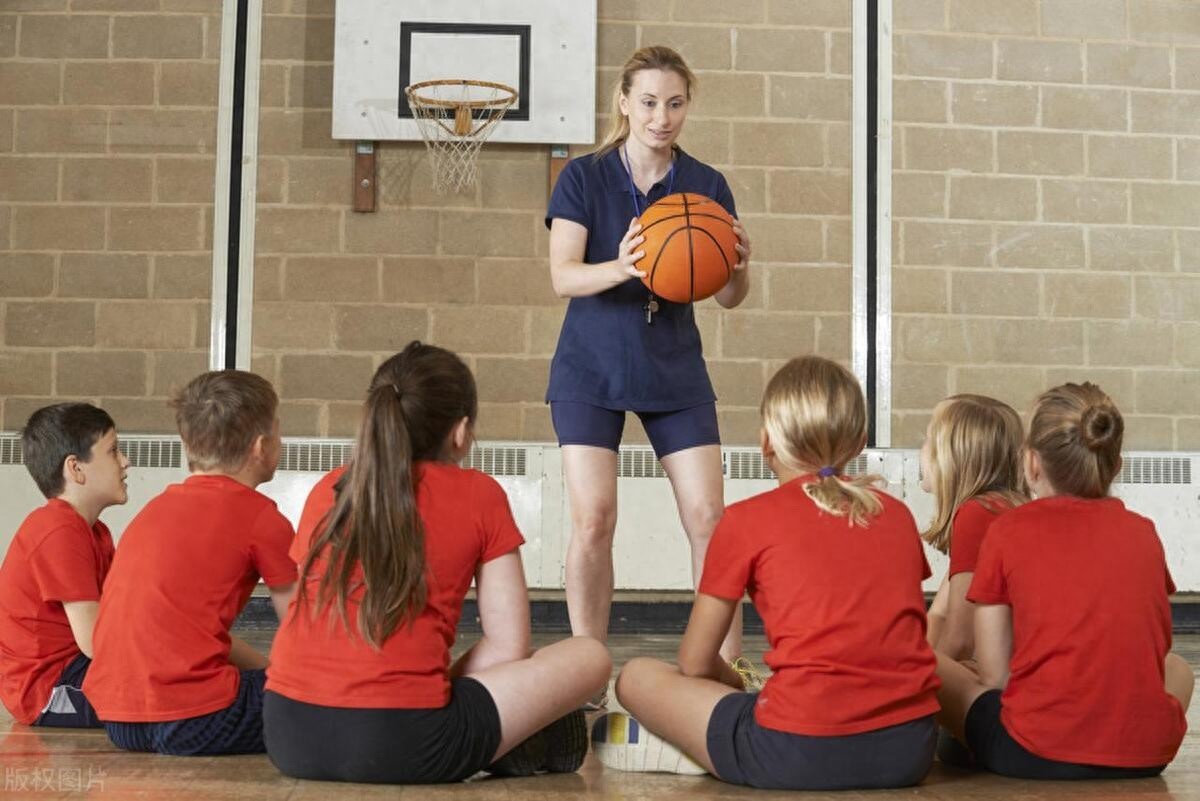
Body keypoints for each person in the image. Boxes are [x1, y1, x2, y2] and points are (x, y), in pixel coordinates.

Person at [263, 341, 610, 784]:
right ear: (461, 431)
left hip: (288, 735)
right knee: (589, 655)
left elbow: (301, 613)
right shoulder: (480, 495)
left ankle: (505, 736)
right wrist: (433, 685)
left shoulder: (329, 490)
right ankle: (512, 737)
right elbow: (508, 647)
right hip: (405, 744)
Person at [592, 356, 941, 790]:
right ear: (860, 442)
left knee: (635, 677)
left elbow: (694, 663)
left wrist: (734, 683)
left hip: (794, 753)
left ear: (766, 442)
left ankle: (692, 747)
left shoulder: (745, 521)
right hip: (909, 752)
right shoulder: (898, 515)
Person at [545, 44, 754, 702]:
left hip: (673, 366)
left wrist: (739, 265)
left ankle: (724, 672)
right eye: (649, 102)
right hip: (591, 365)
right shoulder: (583, 177)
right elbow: (563, 276)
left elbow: (729, 297)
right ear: (623, 102)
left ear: (688, 105)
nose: (662, 116)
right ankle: (586, 672)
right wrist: (624, 265)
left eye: (675, 103)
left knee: (709, 517)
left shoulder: (707, 184)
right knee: (594, 519)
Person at [934, 382, 1194, 779]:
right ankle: (1136, 734)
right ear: (1116, 466)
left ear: (1031, 463)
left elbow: (995, 676)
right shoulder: (1144, 531)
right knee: (1179, 668)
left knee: (928, 663)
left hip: (1034, 752)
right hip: (1146, 754)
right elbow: (1153, 646)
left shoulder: (1006, 531)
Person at [83, 371, 296, 755]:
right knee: (315, 696)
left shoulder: (154, 511)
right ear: (261, 446)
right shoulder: (262, 518)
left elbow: (187, 634)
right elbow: (301, 628)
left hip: (120, 721)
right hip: (199, 721)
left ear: (187, 444)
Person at [0, 404, 128, 728]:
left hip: (78, 666)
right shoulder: (58, 529)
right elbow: (96, 642)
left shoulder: (95, 532)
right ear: (76, 468)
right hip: (51, 687)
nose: (126, 461)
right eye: (113, 451)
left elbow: (121, 614)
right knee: (181, 693)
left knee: (194, 676)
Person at [920, 395, 1025, 660]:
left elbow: (960, 640)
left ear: (951, 457)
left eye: (928, 440)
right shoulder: (1001, 506)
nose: (921, 449)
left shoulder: (979, 513)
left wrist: (921, 680)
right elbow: (940, 613)